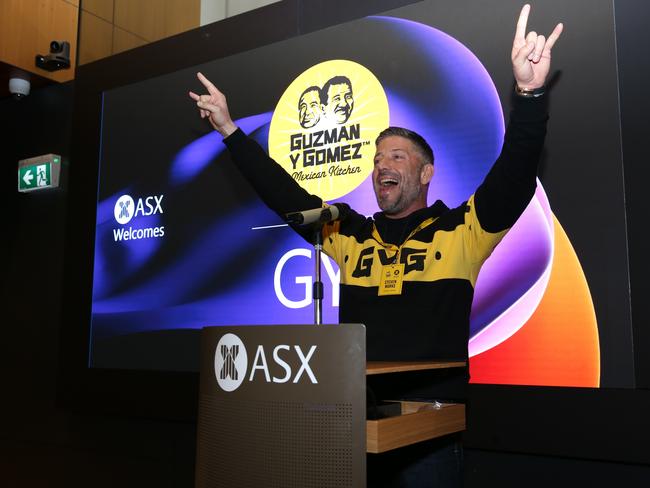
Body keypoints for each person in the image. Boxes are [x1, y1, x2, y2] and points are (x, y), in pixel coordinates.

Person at [189, 4, 562, 486]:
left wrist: (529, 95)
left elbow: (513, 177)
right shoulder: (347, 232)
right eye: (377, 156)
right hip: (354, 427)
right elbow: (285, 196)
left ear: (426, 173)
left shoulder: (462, 230)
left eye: (398, 156)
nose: (382, 164)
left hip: (429, 428)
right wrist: (230, 131)